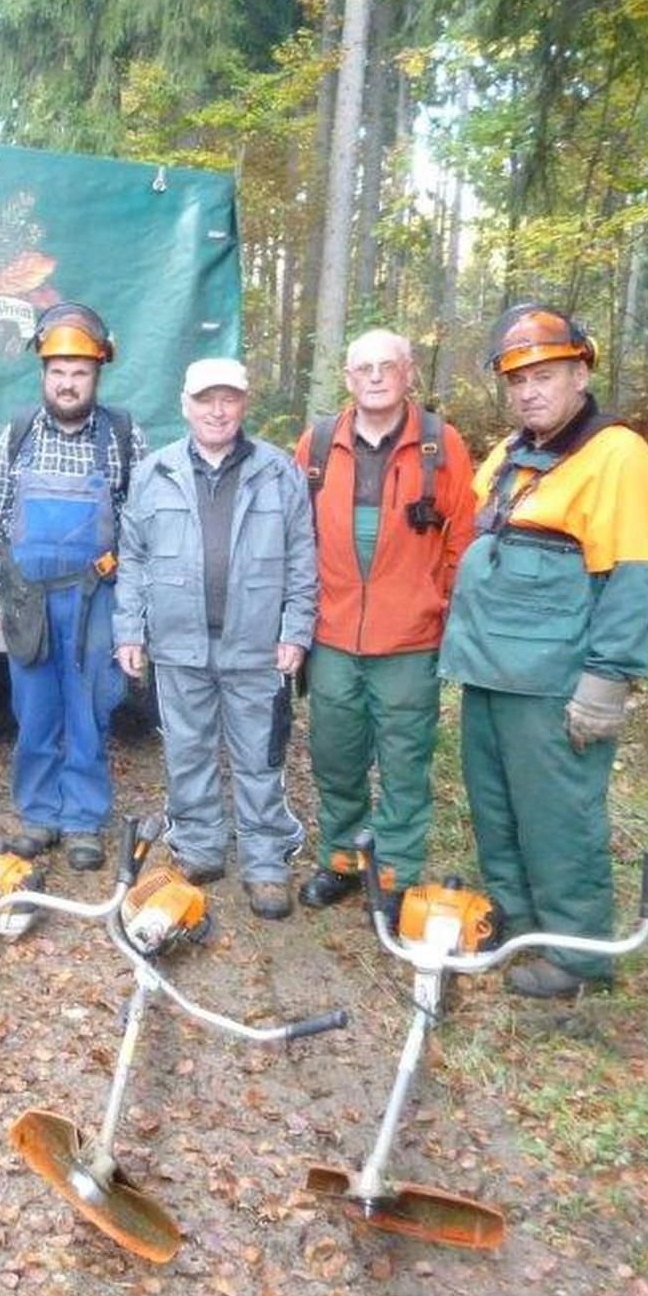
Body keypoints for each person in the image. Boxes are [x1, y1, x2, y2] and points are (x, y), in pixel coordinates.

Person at [439, 306, 648, 998]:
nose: (529, 391)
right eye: (518, 381)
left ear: (579, 373)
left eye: (544, 376)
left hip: (553, 684)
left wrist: (608, 681)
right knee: (497, 808)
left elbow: (631, 577)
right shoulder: (509, 456)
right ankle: (517, 919)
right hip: (490, 674)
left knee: (559, 818)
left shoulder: (617, 454)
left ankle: (577, 957)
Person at [115, 358, 317, 918]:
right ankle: (200, 846)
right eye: (206, 399)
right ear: (186, 405)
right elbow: (132, 558)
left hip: (256, 643)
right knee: (187, 750)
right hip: (179, 642)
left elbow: (303, 557)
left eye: (228, 399)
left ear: (244, 404)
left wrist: (295, 629)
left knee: (259, 755)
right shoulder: (154, 473)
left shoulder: (279, 472)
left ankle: (266, 860)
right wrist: (130, 629)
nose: (218, 410)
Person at [292, 330, 475, 910]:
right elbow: (294, 538)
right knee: (335, 756)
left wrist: (437, 607)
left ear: (408, 373)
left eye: (386, 366)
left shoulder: (441, 445)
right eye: (363, 368)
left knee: (404, 762)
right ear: (348, 378)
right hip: (333, 635)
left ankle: (394, 875)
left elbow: (463, 541)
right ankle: (341, 859)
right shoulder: (317, 445)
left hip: (409, 641)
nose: (375, 377)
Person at [0, 303, 150, 871]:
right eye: (58, 371)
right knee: (34, 707)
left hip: (96, 597)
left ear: (98, 373)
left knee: (90, 708)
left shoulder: (123, 437)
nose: (68, 382)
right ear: (43, 374)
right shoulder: (20, 434)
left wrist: (134, 610)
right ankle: (38, 815)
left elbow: (142, 529)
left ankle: (82, 819)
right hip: (29, 595)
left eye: (79, 371)